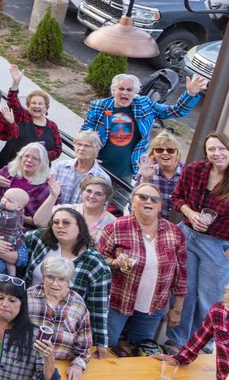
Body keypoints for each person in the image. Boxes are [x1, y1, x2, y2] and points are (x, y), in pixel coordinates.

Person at [98, 183, 187, 353]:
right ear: (132, 200)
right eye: (143, 197)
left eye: (154, 199)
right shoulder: (116, 227)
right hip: (118, 301)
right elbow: (99, 260)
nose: (149, 201)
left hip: (153, 306)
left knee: (141, 351)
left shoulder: (174, 232)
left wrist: (177, 309)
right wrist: (115, 263)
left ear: (160, 205)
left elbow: (181, 273)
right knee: (105, 349)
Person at [80, 73, 206, 181]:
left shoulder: (144, 104)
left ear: (136, 92)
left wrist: (190, 94)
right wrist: (87, 158)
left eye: (129, 90)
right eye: (121, 89)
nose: (125, 93)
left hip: (127, 172)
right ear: (114, 91)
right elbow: (84, 136)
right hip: (98, 167)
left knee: (116, 208)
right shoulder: (99, 106)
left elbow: (176, 111)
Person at [23, 206, 112, 355]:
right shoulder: (40, 239)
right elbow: (14, 242)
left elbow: (99, 305)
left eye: (66, 223)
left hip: (63, 323)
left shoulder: (95, 263)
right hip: (31, 311)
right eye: (55, 222)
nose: (60, 226)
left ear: (80, 227)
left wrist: (101, 341)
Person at [170, 131, 229, 351]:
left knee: (208, 298)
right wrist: (190, 213)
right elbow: (177, 196)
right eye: (212, 149)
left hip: (218, 245)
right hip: (188, 235)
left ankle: (204, 344)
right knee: (185, 292)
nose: (217, 153)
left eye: (222, 148)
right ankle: (177, 341)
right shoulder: (195, 170)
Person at [27, 258, 94, 380]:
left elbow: (84, 345)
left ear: (69, 281)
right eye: (50, 277)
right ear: (43, 276)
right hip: (27, 363)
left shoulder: (78, 305)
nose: (55, 284)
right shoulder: (28, 297)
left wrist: (77, 365)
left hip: (60, 366)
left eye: (61, 279)